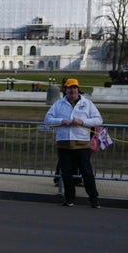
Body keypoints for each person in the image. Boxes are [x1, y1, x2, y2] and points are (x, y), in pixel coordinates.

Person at [43, 78, 102, 208]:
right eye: (70, 88)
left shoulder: (87, 104)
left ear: (78, 89)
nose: (72, 90)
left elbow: (98, 120)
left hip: (82, 143)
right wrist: (62, 120)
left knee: (86, 172)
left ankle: (94, 199)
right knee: (66, 173)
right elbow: (47, 120)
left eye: (74, 88)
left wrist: (82, 122)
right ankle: (69, 198)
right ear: (65, 90)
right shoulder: (58, 104)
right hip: (64, 143)